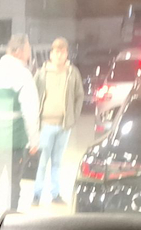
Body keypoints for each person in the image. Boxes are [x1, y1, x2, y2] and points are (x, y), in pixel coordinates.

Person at [0, 34, 40, 212]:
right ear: (19, 51)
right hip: (15, 143)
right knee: (13, 183)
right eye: (28, 50)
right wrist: (34, 141)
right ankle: (10, 219)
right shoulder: (23, 76)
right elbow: (30, 112)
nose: (29, 54)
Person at [33, 37, 85, 206]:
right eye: (57, 52)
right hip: (45, 125)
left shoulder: (72, 73)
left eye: (63, 52)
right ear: (51, 54)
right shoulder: (42, 73)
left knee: (57, 162)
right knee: (42, 162)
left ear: (67, 54)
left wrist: (73, 117)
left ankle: (55, 194)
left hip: (64, 126)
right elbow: (33, 96)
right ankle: (36, 195)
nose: (60, 55)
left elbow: (79, 95)